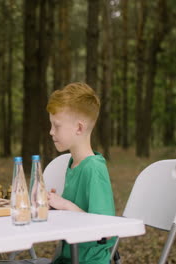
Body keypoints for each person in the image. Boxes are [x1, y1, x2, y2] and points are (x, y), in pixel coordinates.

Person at [46, 82, 116, 264]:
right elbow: (79, 215)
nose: (51, 132)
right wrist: (55, 207)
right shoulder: (73, 163)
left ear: (79, 128)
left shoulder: (94, 168)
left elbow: (106, 231)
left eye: (57, 126)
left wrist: (65, 205)